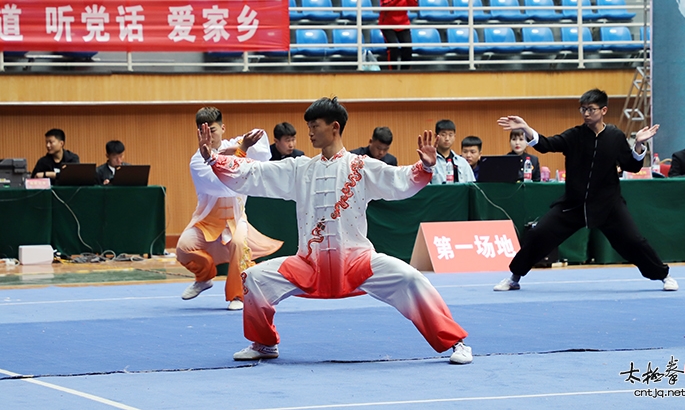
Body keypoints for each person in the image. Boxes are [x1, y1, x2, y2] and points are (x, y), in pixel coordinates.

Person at [198, 97, 472, 364]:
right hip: (307, 263)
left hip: (357, 261)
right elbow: (256, 173)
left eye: (315, 126)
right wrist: (214, 161)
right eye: (308, 127)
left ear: (335, 127)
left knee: (412, 279)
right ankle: (265, 344)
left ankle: (455, 342)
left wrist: (424, 166)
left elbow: (400, 179)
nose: (310, 133)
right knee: (255, 278)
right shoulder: (300, 168)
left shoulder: (360, 167)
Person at [493, 89, 678, 292]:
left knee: (634, 241)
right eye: (583, 109)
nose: (586, 113)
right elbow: (546, 144)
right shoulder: (575, 135)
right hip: (573, 204)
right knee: (539, 235)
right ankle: (514, 278)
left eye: (591, 109)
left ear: (604, 110)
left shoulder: (615, 136)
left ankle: (664, 275)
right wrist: (527, 128)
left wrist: (639, 144)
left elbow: (632, 166)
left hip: (608, 205)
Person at [177, 107, 283, 311]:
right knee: (183, 248)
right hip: (207, 220)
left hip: (236, 219)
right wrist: (240, 150)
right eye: (202, 131)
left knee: (237, 243)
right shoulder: (197, 161)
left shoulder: (232, 145)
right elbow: (225, 184)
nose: (207, 136)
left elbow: (261, 143)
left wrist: (238, 146)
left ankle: (238, 295)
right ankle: (204, 277)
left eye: (212, 130)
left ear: (223, 128)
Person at [379, 0, 417, 70]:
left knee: (408, 48)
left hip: (403, 23)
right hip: (388, 24)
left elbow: (414, 5)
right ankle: (393, 72)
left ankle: (405, 73)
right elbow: (385, 7)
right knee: (393, 48)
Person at [432, 120, 475, 184]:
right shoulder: (428, 163)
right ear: (436, 136)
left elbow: (472, 186)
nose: (447, 138)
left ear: (454, 137)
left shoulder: (462, 163)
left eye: (450, 135)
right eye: (443, 135)